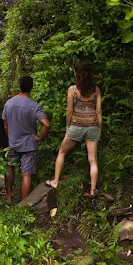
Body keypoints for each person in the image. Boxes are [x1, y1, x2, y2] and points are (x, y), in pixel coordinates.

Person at [46, 62, 102, 196]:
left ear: (76, 75)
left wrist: (68, 126)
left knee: (62, 151)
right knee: (93, 160)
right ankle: (93, 190)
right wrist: (99, 127)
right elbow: (98, 111)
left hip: (76, 126)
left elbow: (69, 110)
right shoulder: (96, 90)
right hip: (92, 126)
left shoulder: (72, 90)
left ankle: (55, 181)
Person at [2, 76, 51, 201]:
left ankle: (8, 195)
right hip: (29, 145)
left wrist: (10, 137)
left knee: (9, 167)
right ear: (31, 87)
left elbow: (6, 125)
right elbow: (46, 124)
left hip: (13, 142)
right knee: (26, 175)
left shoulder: (9, 103)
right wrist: (40, 137)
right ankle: (23, 205)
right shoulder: (33, 106)